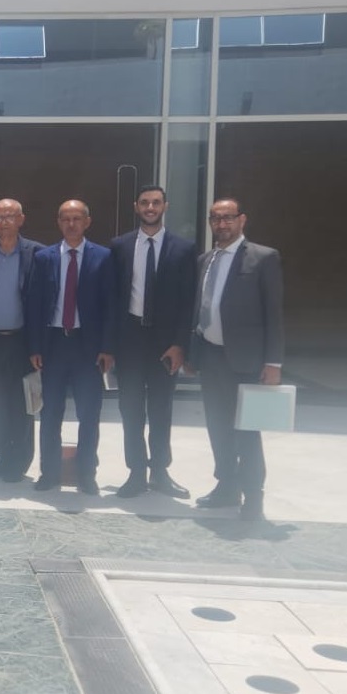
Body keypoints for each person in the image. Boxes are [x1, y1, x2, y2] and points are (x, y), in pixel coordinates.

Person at [191, 198, 284, 522]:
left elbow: (274, 313)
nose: (222, 224)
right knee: (217, 426)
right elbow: (200, 308)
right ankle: (226, 486)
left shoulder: (263, 258)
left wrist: (273, 362)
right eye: (216, 218)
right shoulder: (205, 260)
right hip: (211, 356)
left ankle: (253, 496)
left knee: (247, 431)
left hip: (246, 361)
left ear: (242, 220)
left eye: (228, 217)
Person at [110, 185, 196, 500]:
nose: (150, 207)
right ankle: (136, 472)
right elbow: (112, 298)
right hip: (130, 339)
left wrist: (180, 344)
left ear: (165, 206)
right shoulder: (119, 246)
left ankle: (160, 472)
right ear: (136, 206)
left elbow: (188, 302)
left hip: (165, 344)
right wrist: (110, 345)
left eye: (156, 202)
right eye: (145, 202)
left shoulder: (184, 249)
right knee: (131, 409)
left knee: (161, 409)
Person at [26, 200, 116, 496]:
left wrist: (107, 347)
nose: (71, 224)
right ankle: (49, 473)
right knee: (50, 413)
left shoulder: (103, 257)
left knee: (89, 415)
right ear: (58, 222)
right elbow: (35, 304)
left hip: (88, 348)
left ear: (87, 222)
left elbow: (110, 306)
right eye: (66, 219)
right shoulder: (44, 258)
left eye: (77, 218)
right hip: (53, 344)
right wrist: (35, 346)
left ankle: (86, 474)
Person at [0, 199, 42, 483]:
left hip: (23, 342)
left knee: (23, 403)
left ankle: (20, 461)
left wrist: (38, 345)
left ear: (21, 219)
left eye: (10, 216)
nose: (4, 222)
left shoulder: (37, 253)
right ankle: (2, 456)